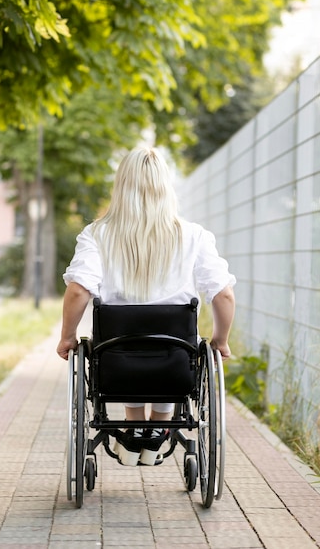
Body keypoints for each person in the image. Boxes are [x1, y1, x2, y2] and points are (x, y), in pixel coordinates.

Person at [57, 146, 236, 465]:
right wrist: (221, 340)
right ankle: (158, 430)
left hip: (116, 361)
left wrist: (67, 336)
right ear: (166, 187)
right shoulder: (194, 236)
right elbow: (223, 295)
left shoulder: (97, 235)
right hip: (175, 361)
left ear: (121, 186)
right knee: (175, 347)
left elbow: (78, 291)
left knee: (124, 343)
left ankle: (135, 428)